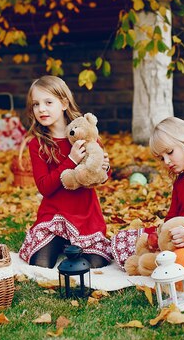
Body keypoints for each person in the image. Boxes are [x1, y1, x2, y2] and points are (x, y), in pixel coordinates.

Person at [17, 75, 112, 268]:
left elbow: (100, 178)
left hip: (85, 214)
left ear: (63, 103)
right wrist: (71, 161)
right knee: (40, 263)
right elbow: (44, 187)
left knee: (96, 264)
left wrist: (104, 167)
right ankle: (59, 241)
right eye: (36, 104)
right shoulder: (38, 144)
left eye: (48, 102)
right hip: (54, 216)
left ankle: (74, 242)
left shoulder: (85, 134)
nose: (41, 109)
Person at [112, 117, 184, 267]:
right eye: (161, 158)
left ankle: (144, 263)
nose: (166, 161)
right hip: (177, 240)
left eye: (170, 152)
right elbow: (172, 218)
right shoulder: (180, 181)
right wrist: (156, 235)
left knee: (150, 260)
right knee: (125, 238)